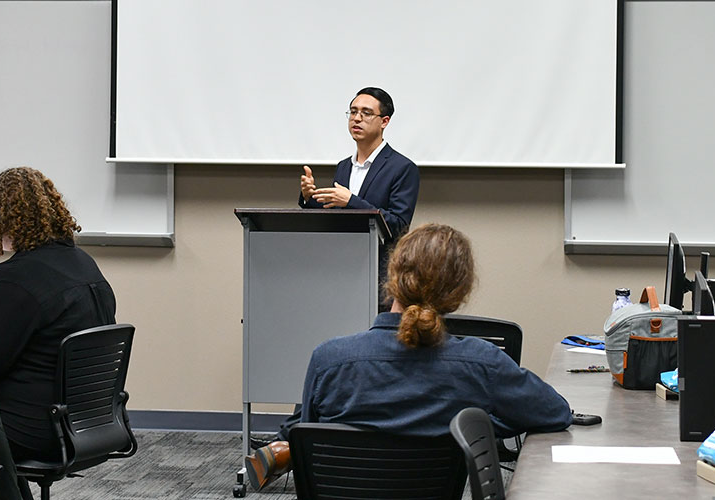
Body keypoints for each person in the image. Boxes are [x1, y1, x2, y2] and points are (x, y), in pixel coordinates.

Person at [245, 224, 572, 490]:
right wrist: (483, 424)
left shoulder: (328, 360)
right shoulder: (481, 364)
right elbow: (555, 412)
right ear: (459, 293)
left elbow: (306, 440)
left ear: (392, 277)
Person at [0, 166, 117, 464]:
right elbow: (43, 338)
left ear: (3, 219)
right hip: (88, 419)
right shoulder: (83, 264)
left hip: (34, 428)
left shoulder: (12, 280)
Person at [298, 87, 420, 290]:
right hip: (340, 271)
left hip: (379, 276)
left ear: (385, 121)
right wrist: (309, 197)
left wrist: (351, 201)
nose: (357, 118)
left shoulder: (403, 168)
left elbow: (398, 226)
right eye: (353, 112)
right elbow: (336, 217)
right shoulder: (344, 166)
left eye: (366, 113)